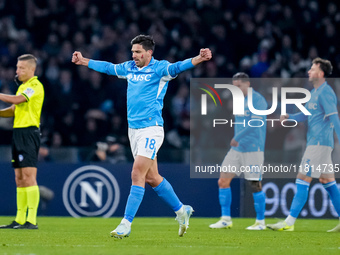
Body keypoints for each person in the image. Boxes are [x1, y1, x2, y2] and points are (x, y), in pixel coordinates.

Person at [72, 35, 212, 238]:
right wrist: (84, 61)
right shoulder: (129, 67)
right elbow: (108, 68)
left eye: (138, 52)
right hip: (134, 131)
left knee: (137, 172)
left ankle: (125, 224)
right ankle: (182, 210)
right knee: (152, 178)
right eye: (132, 52)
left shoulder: (159, 69)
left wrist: (198, 59)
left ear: (149, 53)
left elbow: (178, 67)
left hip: (151, 129)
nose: (134, 55)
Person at [267, 57, 340, 232]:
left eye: (312, 69)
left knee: (302, 178)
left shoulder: (326, 92)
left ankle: (289, 223)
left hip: (319, 144)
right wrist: (289, 117)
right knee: (327, 182)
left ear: (321, 73)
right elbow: (305, 115)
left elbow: (334, 117)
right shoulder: (314, 92)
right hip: (318, 143)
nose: (308, 71)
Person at [209, 72, 268, 230]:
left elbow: (257, 122)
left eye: (239, 86)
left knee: (255, 184)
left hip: (253, 148)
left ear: (247, 84)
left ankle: (261, 222)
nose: (236, 89)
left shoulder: (258, 100)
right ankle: (226, 219)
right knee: (223, 180)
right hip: (237, 148)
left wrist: (238, 137)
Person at [0, 54, 44, 229]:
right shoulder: (23, 87)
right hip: (18, 133)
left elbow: (19, 100)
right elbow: (13, 109)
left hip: (29, 133)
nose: (17, 71)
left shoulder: (35, 86)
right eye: (17, 67)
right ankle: (19, 219)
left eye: (21, 68)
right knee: (19, 177)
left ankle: (31, 220)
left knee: (28, 176)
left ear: (32, 69)